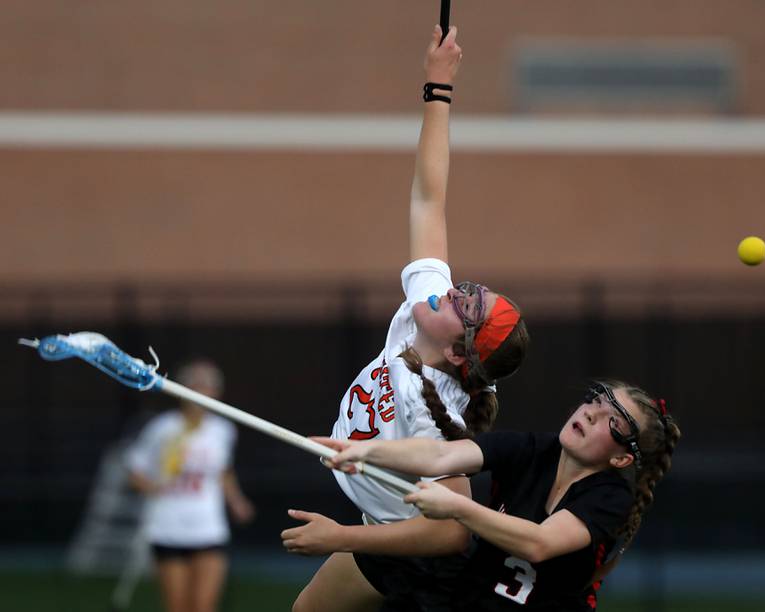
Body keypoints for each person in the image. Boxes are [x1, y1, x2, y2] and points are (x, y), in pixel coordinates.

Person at [282, 24, 529, 612]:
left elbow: (451, 530)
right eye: (471, 292)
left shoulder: (438, 413)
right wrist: (438, 86)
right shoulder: (428, 308)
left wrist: (339, 538)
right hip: (382, 524)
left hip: (426, 560)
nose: (457, 292)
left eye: (467, 309)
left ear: (460, 354)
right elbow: (429, 195)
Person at [317, 380, 680, 611]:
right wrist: (363, 451)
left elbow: (538, 543)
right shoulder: (532, 449)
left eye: (613, 422)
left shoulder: (610, 497)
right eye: (595, 400)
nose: (591, 412)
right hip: (477, 593)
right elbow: (441, 455)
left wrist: (458, 508)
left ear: (621, 458)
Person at [126, 359, 255, 612]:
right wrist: (152, 487)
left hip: (208, 527)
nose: (201, 390)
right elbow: (135, 469)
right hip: (167, 526)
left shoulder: (223, 430)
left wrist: (236, 501)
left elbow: (223, 471)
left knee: (204, 606)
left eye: (208, 385)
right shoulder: (162, 428)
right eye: (195, 384)